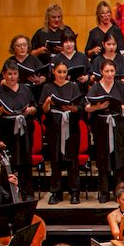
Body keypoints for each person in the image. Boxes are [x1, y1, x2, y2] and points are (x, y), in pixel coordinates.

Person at [84, 57, 124, 202]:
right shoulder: (96, 87)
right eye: (107, 71)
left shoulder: (121, 86)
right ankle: (104, 191)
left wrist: (116, 107)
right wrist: (99, 107)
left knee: (119, 159)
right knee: (103, 159)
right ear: (101, 72)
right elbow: (87, 106)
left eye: (112, 71)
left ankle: (120, 192)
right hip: (102, 126)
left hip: (118, 125)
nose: (110, 74)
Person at [39, 58, 84, 204]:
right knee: (55, 161)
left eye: (64, 72)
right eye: (59, 72)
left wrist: (72, 108)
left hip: (71, 126)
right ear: (53, 72)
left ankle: (74, 192)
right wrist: (47, 103)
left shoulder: (73, 86)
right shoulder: (47, 87)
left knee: (72, 161)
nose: (62, 75)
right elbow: (44, 110)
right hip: (54, 126)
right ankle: (56, 192)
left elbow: (80, 107)